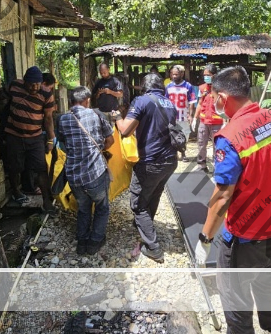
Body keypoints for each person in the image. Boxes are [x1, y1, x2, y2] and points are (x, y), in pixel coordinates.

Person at [195, 66, 271, 334]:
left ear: (223, 98)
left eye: (214, 97)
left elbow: (222, 196)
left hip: (247, 232)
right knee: (265, 273)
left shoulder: (229, 137)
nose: (214, 103)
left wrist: (205, 239)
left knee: (234, 292)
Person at [115, 73, 178, 263]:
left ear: (144, 87)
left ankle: (153, 248)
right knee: (154, 194)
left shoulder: (141, 101)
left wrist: (117, 117)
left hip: (151, 162)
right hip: (170, 160)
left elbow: (125, 130)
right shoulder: (170, 103)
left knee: (138, 204)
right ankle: (144, 224)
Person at [58, 86, 114, 255]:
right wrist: (98, 149)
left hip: (74, 176)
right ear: (87, 100)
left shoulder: (62, 119)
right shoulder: (97, 114)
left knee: (83, 208)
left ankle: (82, 242)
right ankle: (95, 241)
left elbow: (63, 144)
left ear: (72, 101)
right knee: (102, 207)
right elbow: (110, 140)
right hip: (95, 173)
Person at [3, 66, 58, 216]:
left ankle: (46, 201)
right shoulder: (15, 85)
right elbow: (3, 96)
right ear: (25, 81)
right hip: (14, 135)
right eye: (31, 84)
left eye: (37, 84)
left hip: (35, 137)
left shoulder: (46, 94)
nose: (35, 87)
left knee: (41, 168)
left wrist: (51, 139)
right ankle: (16, 192)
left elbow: (48, 118)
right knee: (15, 167)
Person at [191, 64, 223, 172]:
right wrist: (195, 118)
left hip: (217, 122)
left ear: (214, 75)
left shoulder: (221, 87)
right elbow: (200, 104)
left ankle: (217, 166)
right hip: (204, 121)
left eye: (208, 75)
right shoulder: (202, 88)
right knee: (201, 143)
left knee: (217, 145)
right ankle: (202, 165)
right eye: (204, 75)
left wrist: (226, 121)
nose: (206, 77)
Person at [165, 65, 196, 161]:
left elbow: (191, 102)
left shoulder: (188, 86)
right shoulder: (168, 86)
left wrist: (190, 115)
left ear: (182, 74)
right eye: (172, 74)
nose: (174, 76)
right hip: (172, 116)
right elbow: (165, 101)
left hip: (183, 115)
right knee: (172, 134)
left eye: (176, 74)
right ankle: (174, 154)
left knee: (185, 134)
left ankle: (183, 152)